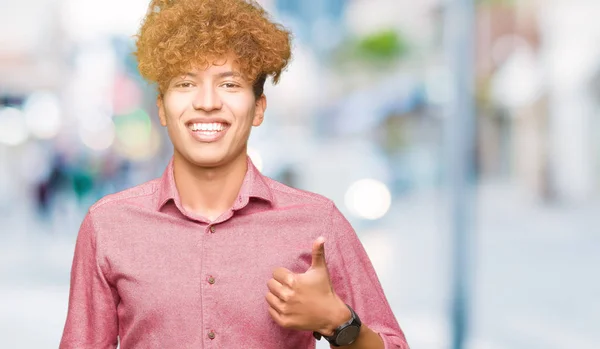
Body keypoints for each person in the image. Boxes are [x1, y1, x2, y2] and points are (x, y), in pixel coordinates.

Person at [60, 0, 409, 348]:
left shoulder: (318, 223)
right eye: (185, 83)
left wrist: (339, 324)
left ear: (258, 108)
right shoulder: (107, 226)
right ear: (162, 108)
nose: (208, 102)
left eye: (229, 84)